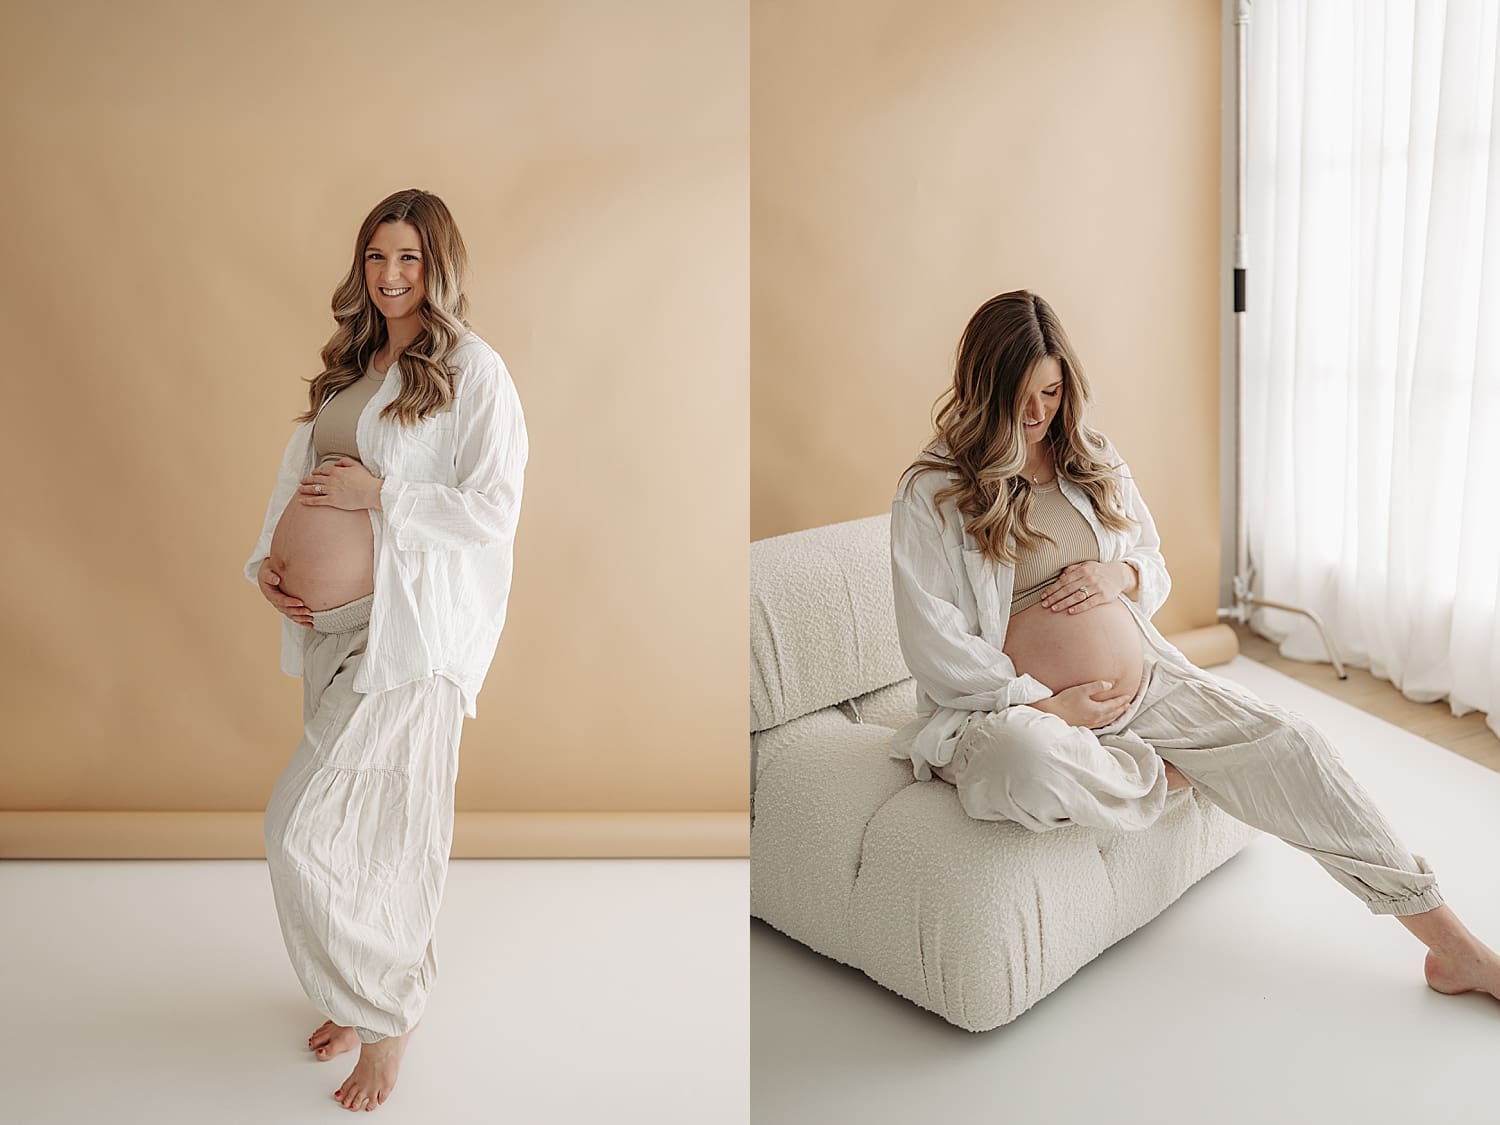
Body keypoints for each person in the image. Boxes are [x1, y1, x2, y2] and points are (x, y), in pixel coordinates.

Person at [889, 288, 1500, 1003]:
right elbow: (936, 645)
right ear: (981, 387)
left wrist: (1118, 571)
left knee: (1294, 744)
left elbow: (1152, 560)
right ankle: (1174, 772)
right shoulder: (933, 490)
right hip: (1017, 716)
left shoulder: (1086, 453)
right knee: (1024, 764)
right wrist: (1051, 705)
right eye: (1020, 397)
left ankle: (1456, 950)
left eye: (1051, 392)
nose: (1037, 414)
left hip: (1143, 683)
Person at [242, 188, 527, 1112]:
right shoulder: (351, 368)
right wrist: (267, 566)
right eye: (376, 257)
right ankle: (351, 995)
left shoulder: (475, 373)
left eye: (407, 258)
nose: (390, 275)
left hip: (411, 637)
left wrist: (382, 498)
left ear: (436, 266)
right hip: (329, 630)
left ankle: (387, 1012)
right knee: (361, 836)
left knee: (305, 829)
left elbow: (493, 510)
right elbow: (298, 476)